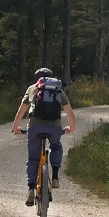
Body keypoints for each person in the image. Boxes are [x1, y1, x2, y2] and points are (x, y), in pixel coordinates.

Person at [12, 67, 76, 206]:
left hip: (34, 127)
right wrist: (71, 127)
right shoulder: (58, 90)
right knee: (56, 146)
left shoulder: (33, 88)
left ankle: (30, 189)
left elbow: (22, 110)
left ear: (38, 79)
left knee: (33, 158)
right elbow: (70, 112)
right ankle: (55, 177)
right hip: (54, 127)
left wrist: (15, 127)